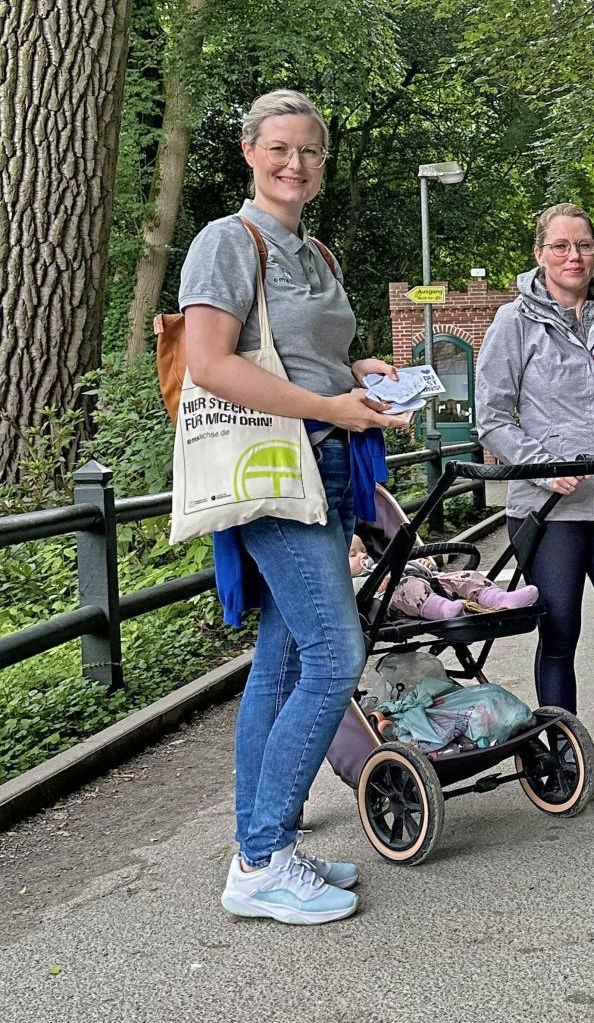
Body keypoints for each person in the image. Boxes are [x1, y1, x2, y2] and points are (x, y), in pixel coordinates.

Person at [179, 88, 408, 924]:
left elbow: (306, 360)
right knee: (334, 656)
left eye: (309, 150)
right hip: (276, 474)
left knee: (280, 664)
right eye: (279, 147)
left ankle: (263, 842)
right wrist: (326, 407)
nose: (295, 163)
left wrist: (361, 375)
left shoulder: (317, 253)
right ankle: (262, 859)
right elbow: (208, 362)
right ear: (249, 150)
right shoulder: (226, 242)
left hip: (328, 467)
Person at [474, 202, 594, 807]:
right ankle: (562, 758)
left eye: (582, 245)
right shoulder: (514, 322)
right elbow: (492, 416)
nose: (573, 256)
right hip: (548, 511)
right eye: (559, 246)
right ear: (539, 254)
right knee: (559, 636)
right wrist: (542, 464)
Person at [347, 532, 539, 619]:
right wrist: (373, 583)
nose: (363, 555)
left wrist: (420, 564)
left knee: (467, 576)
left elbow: (408, 567)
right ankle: (444, 610)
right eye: (353, 554)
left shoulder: (380, 566)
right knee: (409, 586)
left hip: (429, 583)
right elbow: (352, 594)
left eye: (363, 549)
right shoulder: (350, 582)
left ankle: (501, 599)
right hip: (395, 599)